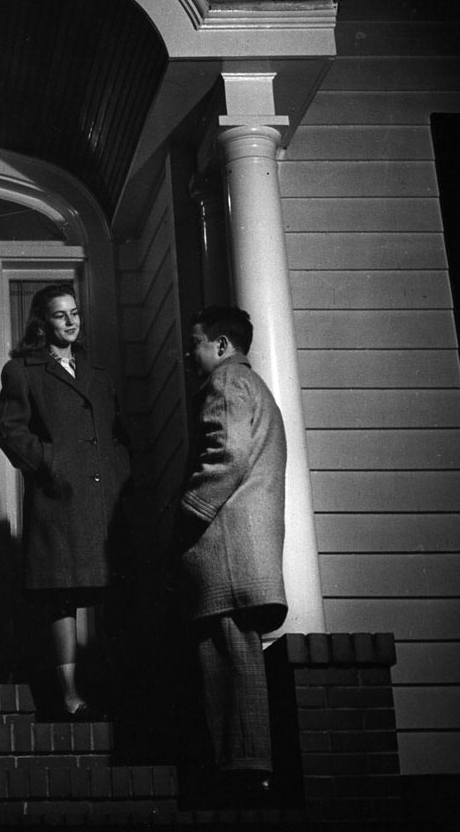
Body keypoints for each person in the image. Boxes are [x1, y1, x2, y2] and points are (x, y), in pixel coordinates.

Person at [0, 284, 130, 717]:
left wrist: (120, 468)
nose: (71, 322)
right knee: (62, 595)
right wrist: (52, 463)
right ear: (42, 322)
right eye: (60, 315)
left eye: (75, 313)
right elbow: (11, 432)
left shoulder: (98, 371)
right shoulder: (23, 370)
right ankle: (70, 693)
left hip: (105, 494)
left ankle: (110, 684)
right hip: (59, 500)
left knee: (109, 592)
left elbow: (120, 433)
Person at [176, 305, 287, 798]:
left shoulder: (226, 385)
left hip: (224, 552)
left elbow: (229, 454)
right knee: (236, 665)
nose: (189, 353)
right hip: (245, 553)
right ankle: (246, 773)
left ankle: (244, 778)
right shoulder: (256, 388)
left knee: (227, 667)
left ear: (221, 346)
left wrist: (188, 511)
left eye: (196, 342)